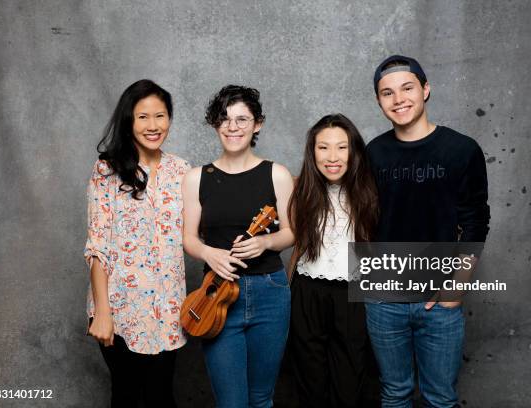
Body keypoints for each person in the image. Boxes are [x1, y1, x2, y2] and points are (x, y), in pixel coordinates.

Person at [365, 55, 490, 407]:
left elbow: (476, 220)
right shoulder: (374, 153)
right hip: (384, 297)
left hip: (439, 298)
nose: (398, 99)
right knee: (394, 393)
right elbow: (359, 216)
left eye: (407, 88)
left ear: (426, 90)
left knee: (440, 398)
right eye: (387, 93)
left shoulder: (461, 150)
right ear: (379, 101)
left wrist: (458, 284)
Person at [182, 85, 295, 408]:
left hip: (270, 293)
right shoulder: (196, 178)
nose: (233, 127)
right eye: (225, 119)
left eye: (242, 119)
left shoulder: (277, 174)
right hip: (215, 296)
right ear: (215, 124)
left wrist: (265, 242)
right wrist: (208, 253)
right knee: (231, 403)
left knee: (261, 398)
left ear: (257, 124)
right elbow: (189, 238)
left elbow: (291, 232)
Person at [84, 79, 190, 407]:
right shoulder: (107, 170)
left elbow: (198, 232)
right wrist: (102, 312)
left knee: (161, 397)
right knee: (127, 396)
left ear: (169, 119)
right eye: (142, 117)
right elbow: (97, 245)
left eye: (160, 116)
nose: (153, 125)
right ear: (129, 120)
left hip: (168, 311)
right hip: (118, 310)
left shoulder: (183, 171)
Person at [287, 114, 379, 407]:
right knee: (309, 383)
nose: (332, 157)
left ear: (354, 152)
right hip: (306, 290)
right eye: (323, 147)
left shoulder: (371, 191)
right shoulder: (297, 188)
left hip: (354, 294)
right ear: (312, 152)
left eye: (342, 147)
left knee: (350, 384)